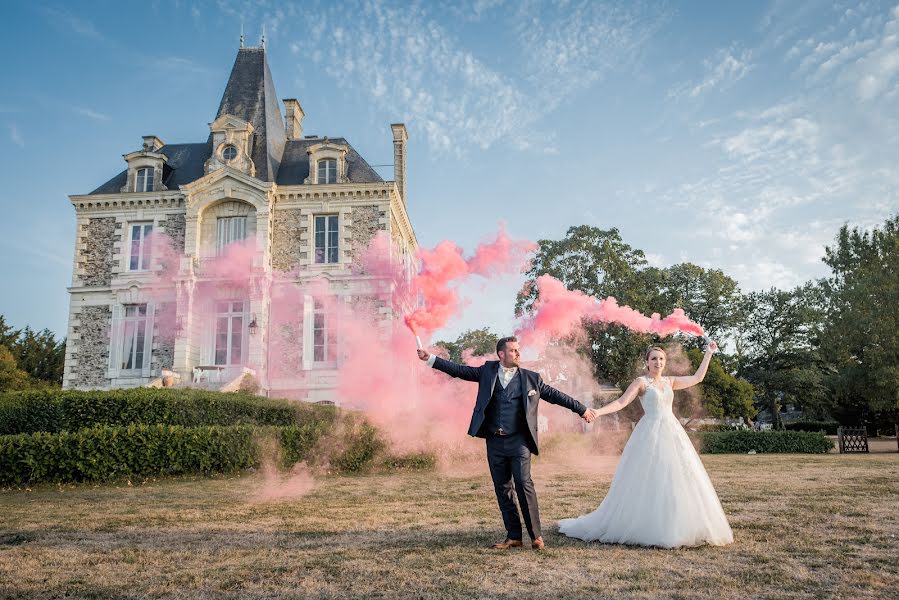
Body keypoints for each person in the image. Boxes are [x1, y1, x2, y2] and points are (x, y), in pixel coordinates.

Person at [417, 336, 595, 550]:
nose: (518, 353)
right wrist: (431, 359)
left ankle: (536, 536)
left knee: (523, 485)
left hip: (519, 441)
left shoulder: (531, 379)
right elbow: (458, 370)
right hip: (494, 441)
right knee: (503, 489)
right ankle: (514, 537)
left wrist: (582, 409)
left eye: (518, 350)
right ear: (501, 354)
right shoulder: (487, 372)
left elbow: (556, 396)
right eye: (513, 350)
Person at [559, 342, 734, 548]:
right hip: (650, 433)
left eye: (661, 359)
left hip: (672, 431)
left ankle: (677, 524)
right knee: (647, 477)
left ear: (665, 362)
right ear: (647, 362)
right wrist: (598, 412)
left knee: (677, 475)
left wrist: (709, 353)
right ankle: (646, 524)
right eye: (653, 359)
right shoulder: (641, 382)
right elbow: (621, 402)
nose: (657, 362)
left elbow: (697, 378)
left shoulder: (670, 381)